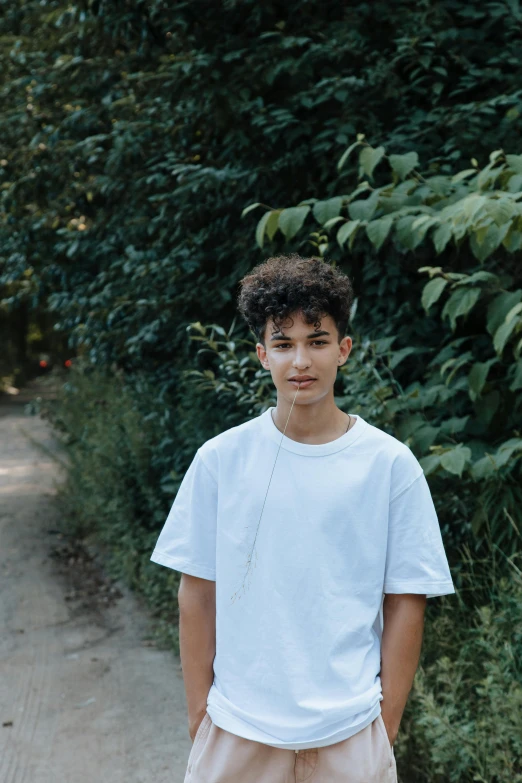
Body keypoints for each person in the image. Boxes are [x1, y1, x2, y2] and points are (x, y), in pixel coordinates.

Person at [150, 253, 456, 783]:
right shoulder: (221, 460)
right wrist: (201, 718)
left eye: (316, 342)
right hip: (238, 731)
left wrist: (385, 726)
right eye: (283, 343)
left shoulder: (388, 465)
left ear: (344, 350)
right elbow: (196, 592)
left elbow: (407, 599)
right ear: (261, 354)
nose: (301, 362)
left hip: (352, 732)